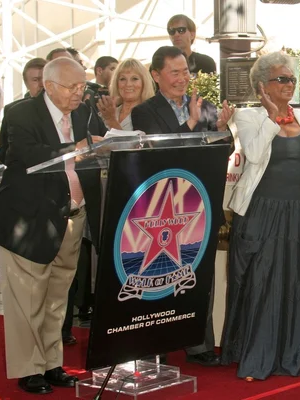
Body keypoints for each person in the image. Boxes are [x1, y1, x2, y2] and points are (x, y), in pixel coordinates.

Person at [0, 57, 105, 394]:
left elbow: (95, 151)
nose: (79, 93)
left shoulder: (84, 112)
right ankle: (29, 370)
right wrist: (75, 149)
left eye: (82, 86)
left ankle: (53, 364)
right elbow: (24, 155)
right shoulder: (21, 113)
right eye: (72, 87)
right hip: (29, 220)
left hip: (70, 219)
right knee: (28, 300)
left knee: (56, 299)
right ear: (49, 86)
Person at [220, 51, 300, 381]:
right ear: (263, 86)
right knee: (261, 283)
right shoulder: (248, 116)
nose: (289, 84)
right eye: (281, 79)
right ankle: (257, 358)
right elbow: (254, 154)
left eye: (292, 79)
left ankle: (294, 356)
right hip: (262, 211)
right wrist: (273, 119)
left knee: (297, 282)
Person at [131, 45, 234, 368]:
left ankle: (200, 344)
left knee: (198, 276)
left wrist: (219, 129)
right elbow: (162, 154)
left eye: (185, 72)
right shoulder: (145, 111)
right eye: (174, 72)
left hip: (198, 204)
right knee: (157, 275)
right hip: (160, 207)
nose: (182, 79)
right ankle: (153, 345)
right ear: (156, 75)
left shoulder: (204, 106)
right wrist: (190, 123)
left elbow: (225, 149)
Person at [0, 58, 47, 164]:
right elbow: (3, 153)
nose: (41, 84)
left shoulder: (67, 108)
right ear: (26, 84)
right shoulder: (13, 111)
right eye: (35, 80)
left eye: (44, 79)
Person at [97, 58, 154, 131]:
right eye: (122, 79)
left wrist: (111, 121)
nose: (128, 84)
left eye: (134, 79)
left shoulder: (151, 115)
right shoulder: (109, 112)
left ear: (144, 82)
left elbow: (136, 142)